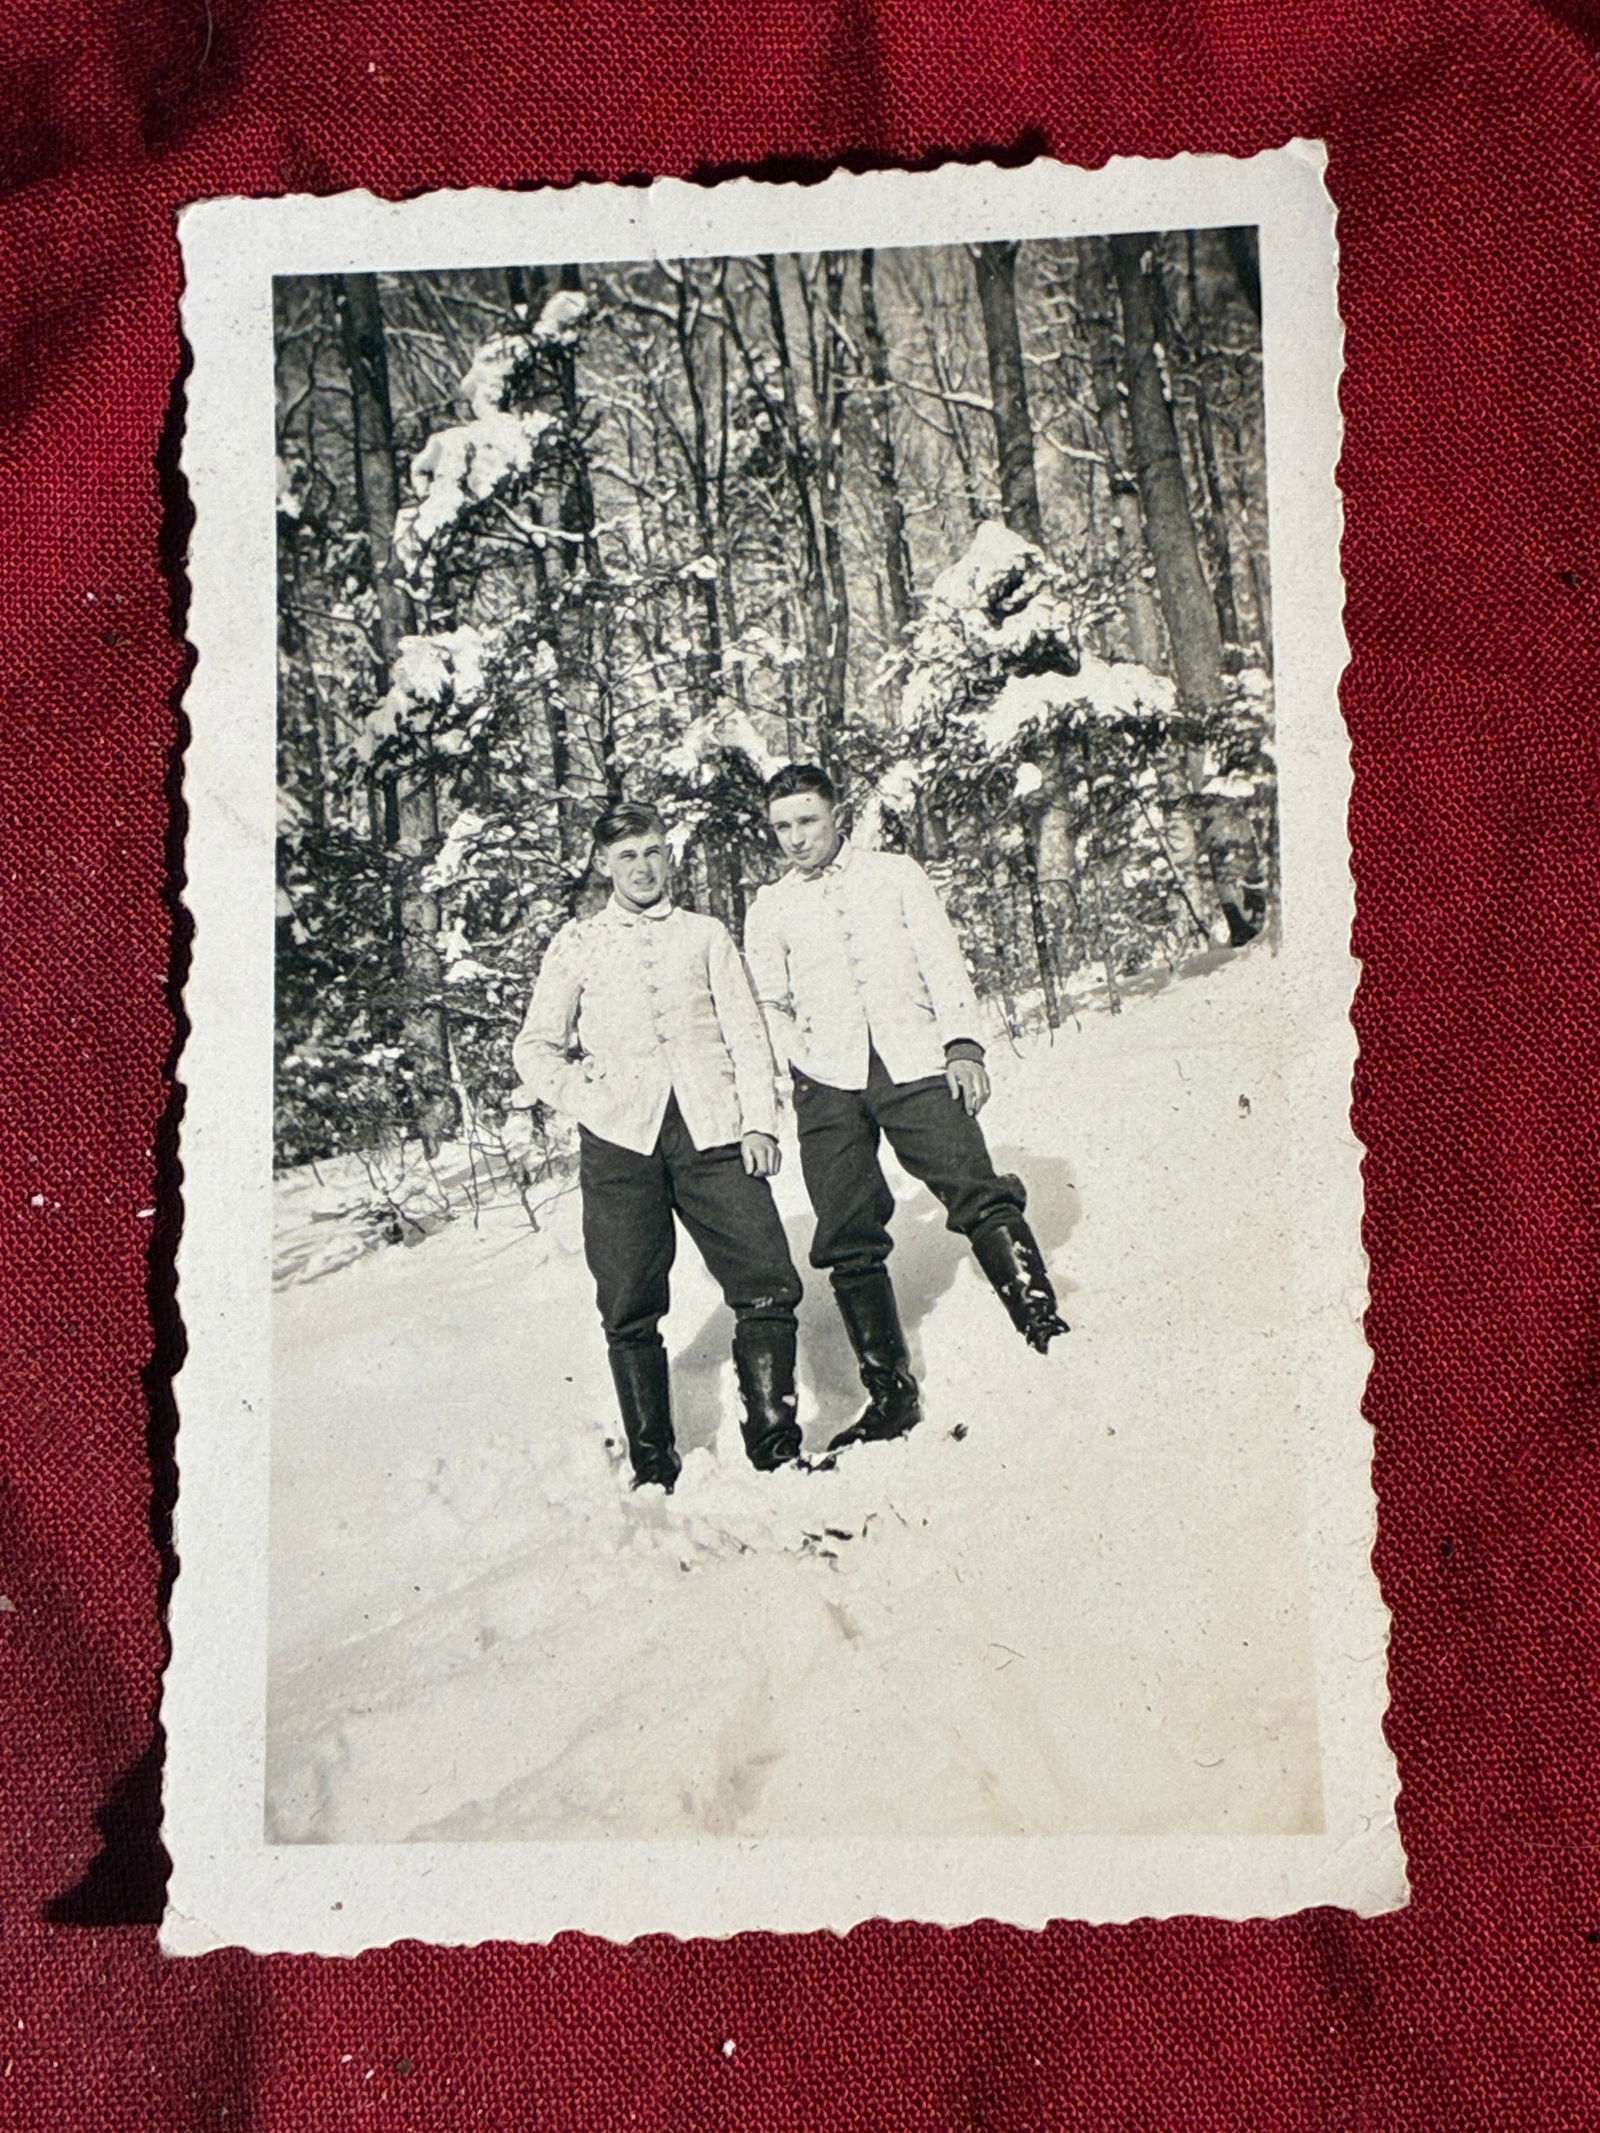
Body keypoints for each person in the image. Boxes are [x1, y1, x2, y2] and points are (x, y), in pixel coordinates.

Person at [744, 764, 1068, 1454]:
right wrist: (800, 1055)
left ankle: (1045, 1328)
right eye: (782, 827)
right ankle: (891, 1395)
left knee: (974, 1186)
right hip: (827, 1078)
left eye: (807, 820)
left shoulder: (895, 875)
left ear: (836, 813)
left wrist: (962, 1044)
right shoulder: (769, 906)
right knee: (846, 1228)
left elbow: (942, 958)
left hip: (914, 1057)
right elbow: (768, 999)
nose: (796, 838)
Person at [512, 801, 804, 1492]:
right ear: (601, 864)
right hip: (621, 1145)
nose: (641, 868)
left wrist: (757, 1122)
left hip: (713, 1131)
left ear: (668, 855)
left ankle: (774, 1444)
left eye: (651, 852)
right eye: (625, 856)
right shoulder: (578, 943)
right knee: (628, 1300)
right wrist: (595, 1098)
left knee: (766, 1279)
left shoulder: (705, 935)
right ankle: (654, 1464)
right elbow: (535, 1047)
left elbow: (747, 1033)